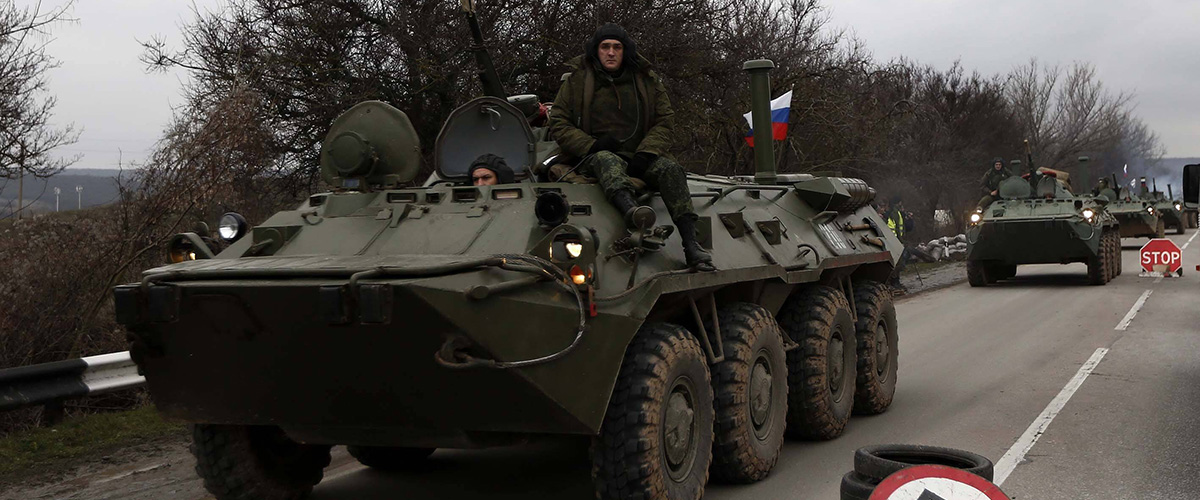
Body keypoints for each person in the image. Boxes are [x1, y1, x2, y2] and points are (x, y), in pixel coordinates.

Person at [548, 23, 714, 271]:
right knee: (607, 160)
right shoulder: (578, 81)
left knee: (671, 170)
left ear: (625, 50)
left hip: (639, 156)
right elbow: (559, 122)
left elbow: (665, 120)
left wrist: (647, 152)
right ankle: (635, 215)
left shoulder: (646, 81)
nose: (611, 53)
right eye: (605, 47)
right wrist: (590, 144)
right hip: (593, 156)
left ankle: (691, 244)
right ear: (596, 50)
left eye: (617, 47)